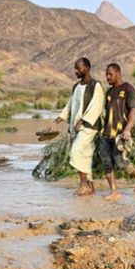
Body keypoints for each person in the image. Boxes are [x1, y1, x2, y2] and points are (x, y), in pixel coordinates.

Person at [50, 57, 105, 195]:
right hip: (77, 128)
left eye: (78, 68)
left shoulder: (95, 86)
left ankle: (83, 184)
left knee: (76, 151)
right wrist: (56, 122)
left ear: (86, 68)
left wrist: (83, 121)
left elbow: (97, 107)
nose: (76, 71)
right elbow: (69, 107)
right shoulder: (76, 86)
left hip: (89, 127)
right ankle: (91, 187)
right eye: (75, 68)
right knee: (86, 155)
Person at [100, 63, 135, 200]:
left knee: (120, 161)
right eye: (106, 74)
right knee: (106, 162)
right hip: (106, 134)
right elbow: (108, 113)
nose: (108, 77)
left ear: (118, 73)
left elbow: (133, 112)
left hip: (120, 134)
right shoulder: (109, 92)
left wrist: (128, 129)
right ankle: (114, 192)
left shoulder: (128, 89)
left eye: (110, 74)